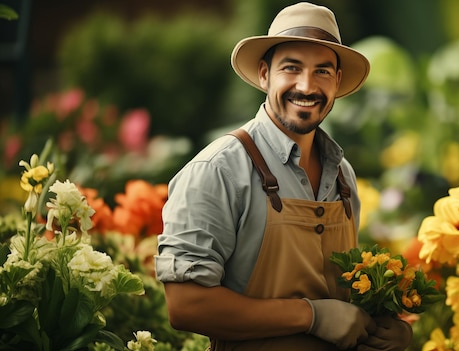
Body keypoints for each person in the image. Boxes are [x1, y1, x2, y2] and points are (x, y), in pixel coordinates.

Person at [155, 2, 413, 350]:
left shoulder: (344, 177)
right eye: (291, 68)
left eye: (322, 71)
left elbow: (335, 297)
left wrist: (387, 329)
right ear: (265, 74)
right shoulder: (218, 171)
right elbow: (186, 306)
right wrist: (312, 317)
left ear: (337, 81)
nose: (306, 86)